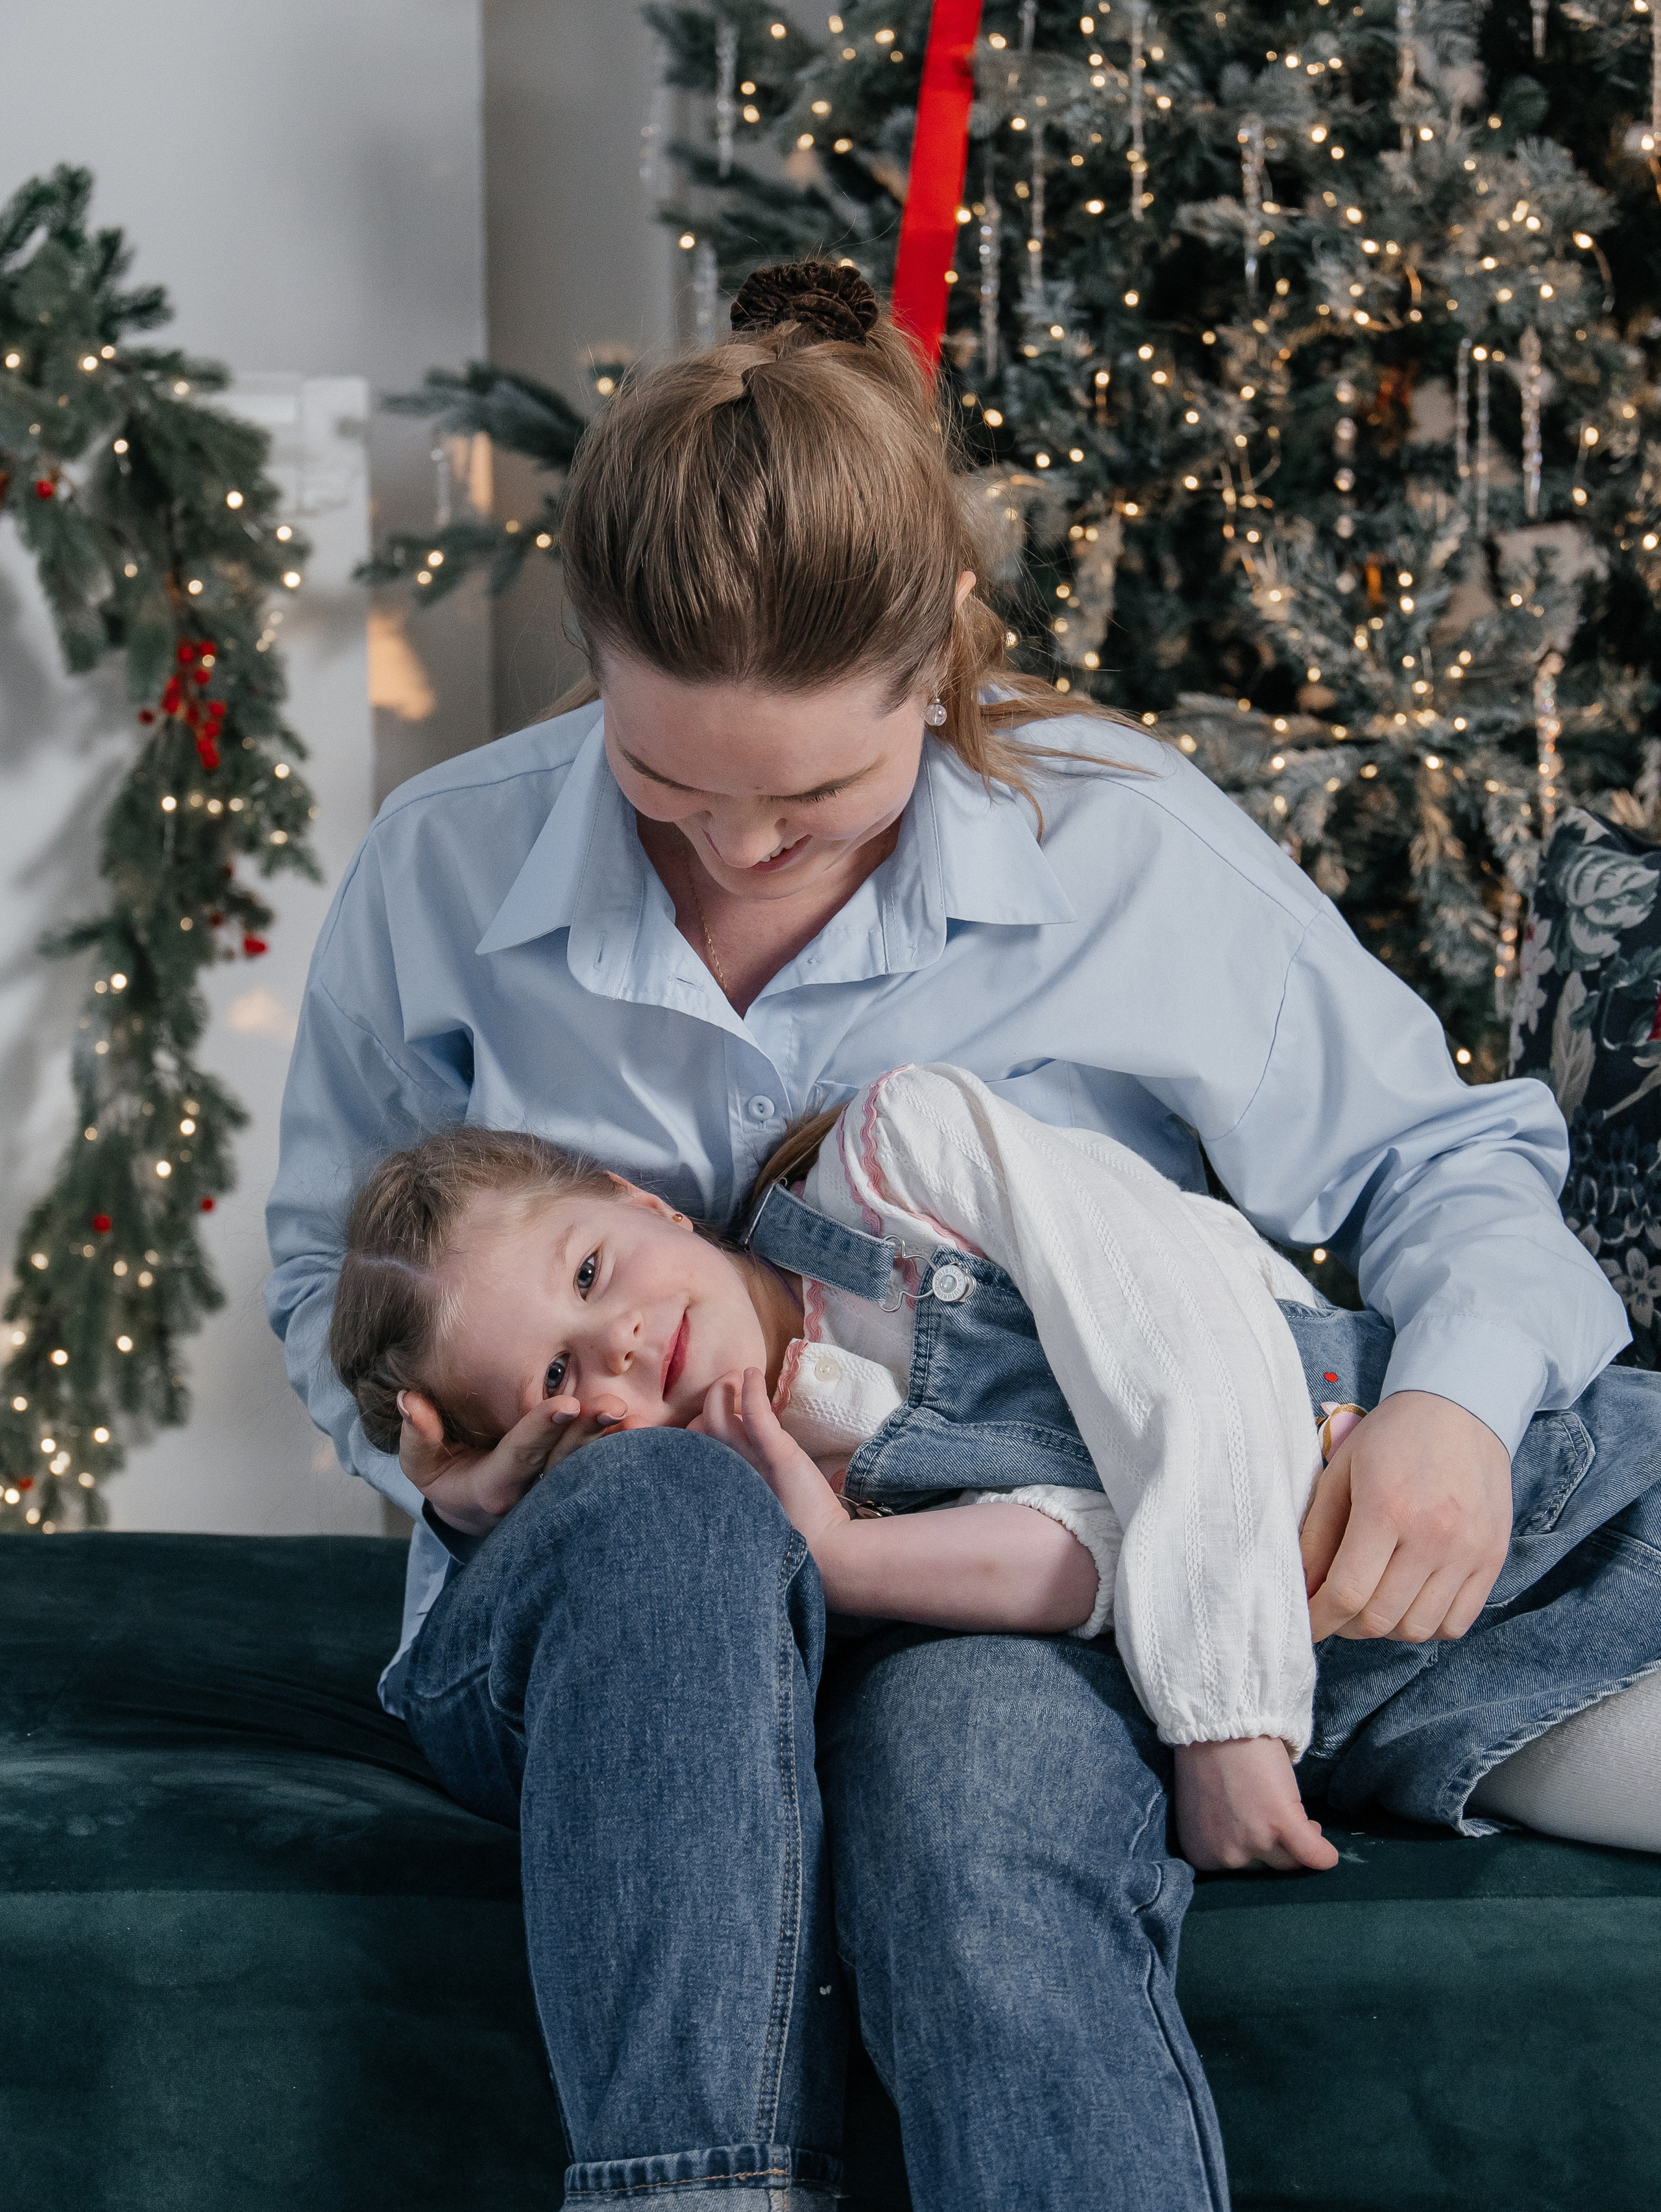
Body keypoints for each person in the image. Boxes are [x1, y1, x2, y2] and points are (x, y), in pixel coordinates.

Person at [266, 261, 1656, 2212]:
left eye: (820, 794)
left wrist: (1457, 1407)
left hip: (994, 1587)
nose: (741, 850)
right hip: (608, 1635)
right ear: (592, 664)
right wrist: (476, 1472)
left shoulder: (1124, 850)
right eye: (668, 785)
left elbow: (1441, 1162)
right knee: (669, 1514)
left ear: (939, 659)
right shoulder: (446, 868)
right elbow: (334, 1279)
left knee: (973, 1795)